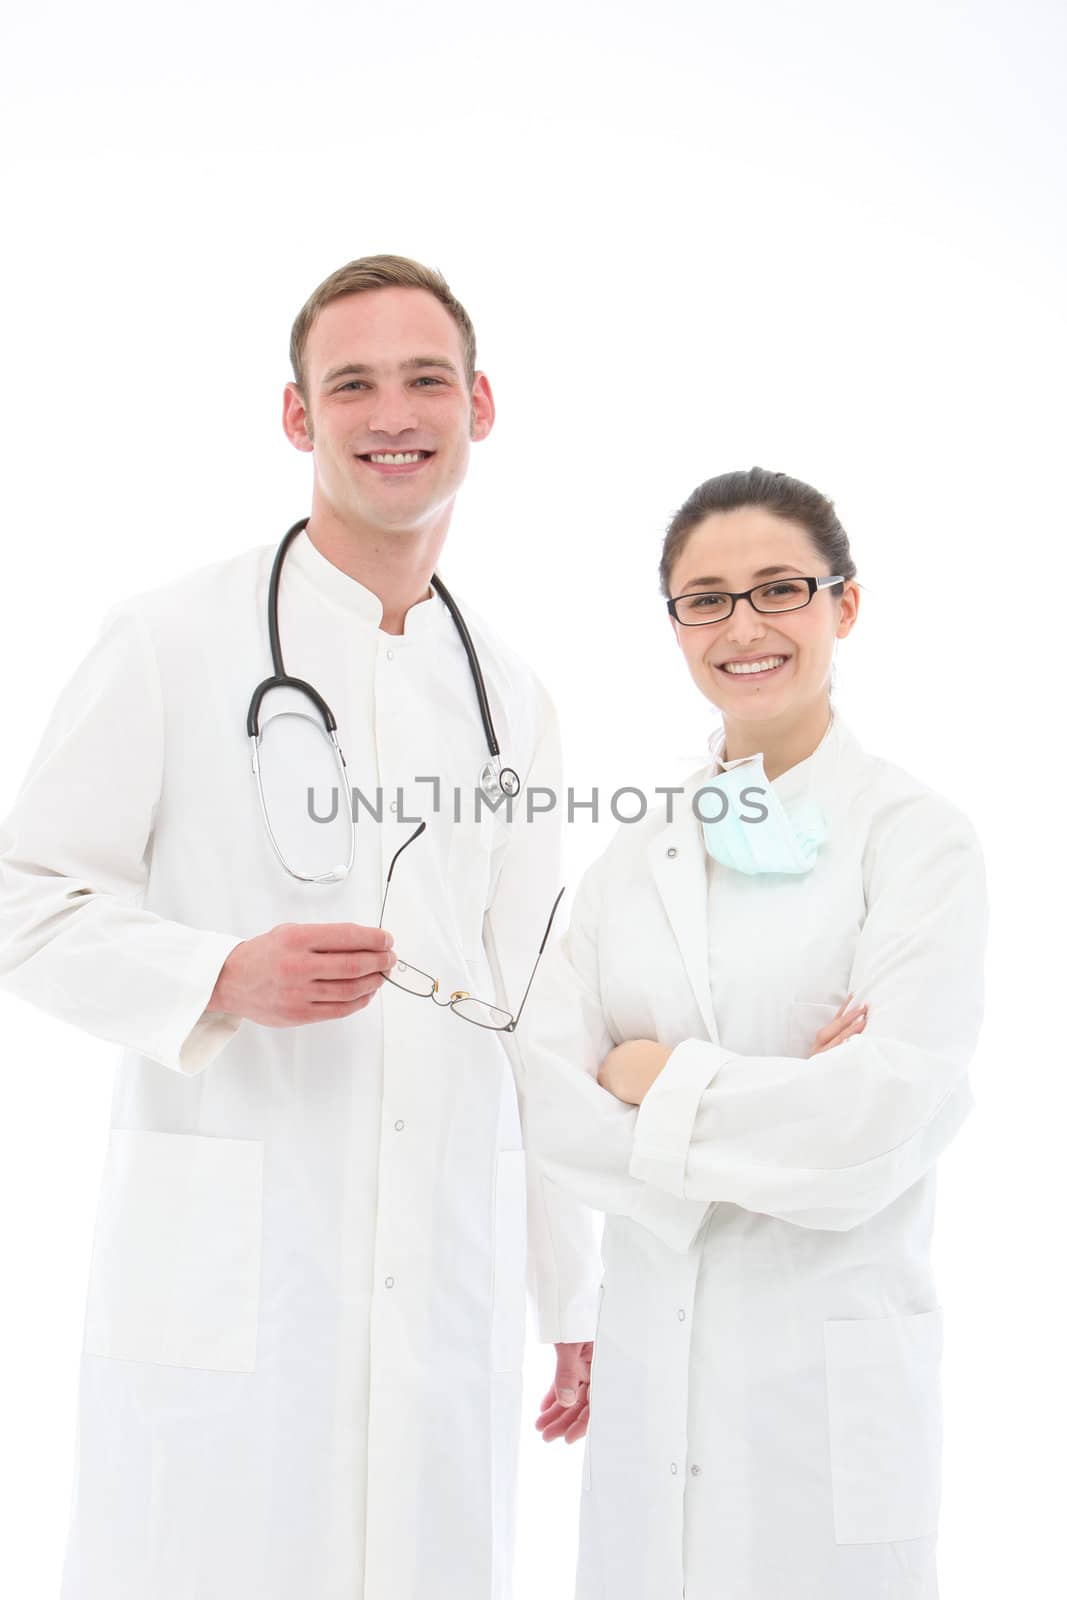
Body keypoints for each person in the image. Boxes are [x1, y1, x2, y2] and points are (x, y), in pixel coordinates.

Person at [0, 254, 600, 1600]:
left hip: (442, 1265)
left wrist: (571, 1295)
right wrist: (217, 972)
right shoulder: (171, 639)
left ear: (479, 404)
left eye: (423, 379)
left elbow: (538, 1011)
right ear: (298, 419)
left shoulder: (514, 699)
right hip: (231, 1268)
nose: (392, 413)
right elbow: (27, 898)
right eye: (352, 384)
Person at [525, 467, 987, 1600]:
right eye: (705, 597)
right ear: (674, 625)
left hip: (822, 1412)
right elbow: (547, 1115)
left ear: (845, 604)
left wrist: (648, 1074)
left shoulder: (915, 842)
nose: (743, 625)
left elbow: (871, 1129)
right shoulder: (625, 868)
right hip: (652, 1397)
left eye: (778, 588)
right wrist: (772, 1106)